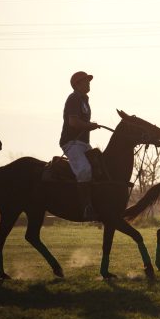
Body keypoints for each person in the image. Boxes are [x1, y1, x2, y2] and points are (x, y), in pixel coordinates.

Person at [59, 71, 100, 220]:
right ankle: (86, 208)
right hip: (72, 143)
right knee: (84, 170)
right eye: (85, 81)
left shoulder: (84, 100)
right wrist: (90, 126)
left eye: (88, 81)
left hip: (83, 143)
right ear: (76, 84)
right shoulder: (74, 98)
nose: (88, 83)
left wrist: (90, 125)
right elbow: (73, 122)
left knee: (99, 166)